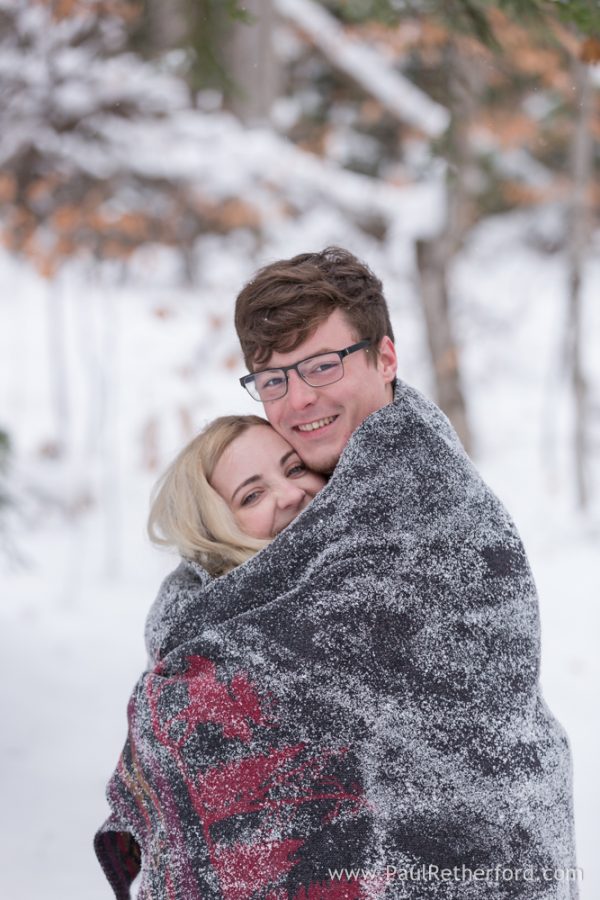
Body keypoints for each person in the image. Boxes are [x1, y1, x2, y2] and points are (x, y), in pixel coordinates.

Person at [96, 247, 577, 900]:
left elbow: (299, 673)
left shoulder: (422, 509)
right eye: (273, 379)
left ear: (386, 357)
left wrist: (180, 694)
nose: (298, 399)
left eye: (322, 365)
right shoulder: (335, 502)